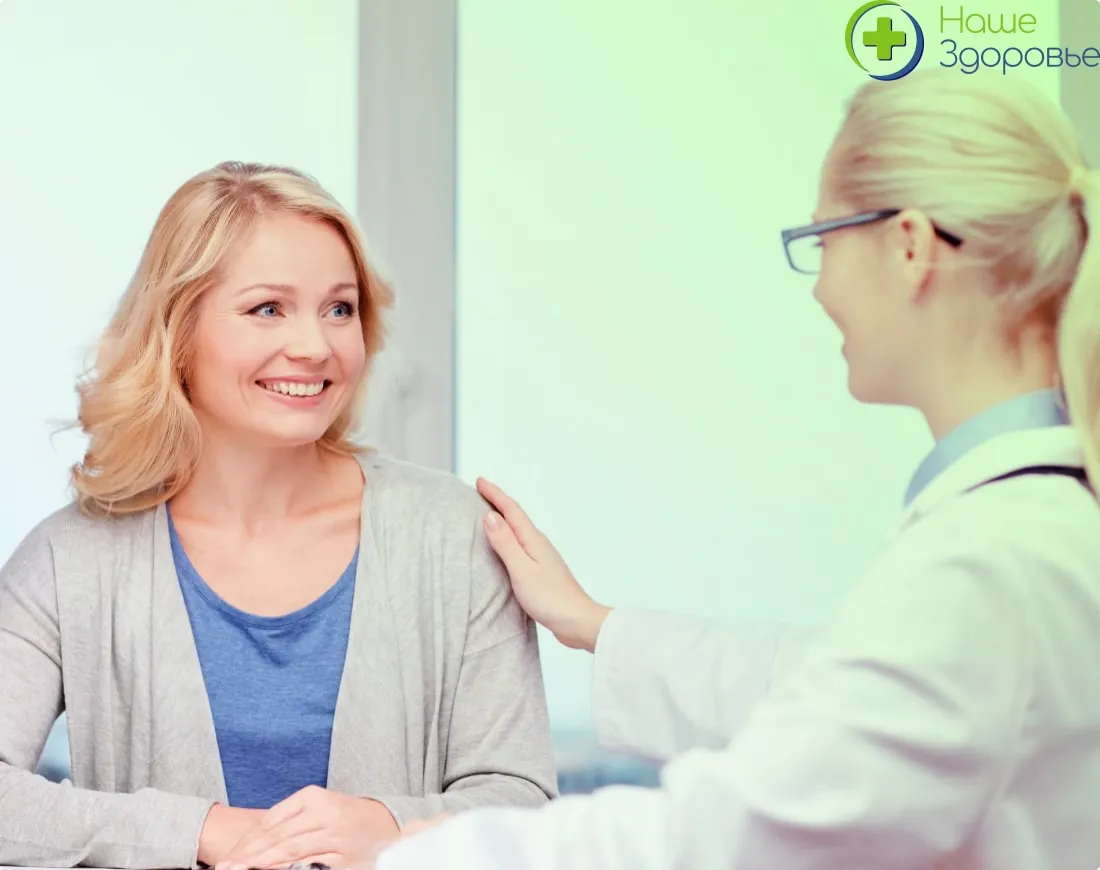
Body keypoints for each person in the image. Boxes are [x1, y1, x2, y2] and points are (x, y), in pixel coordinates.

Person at [369, 69, 1100, 870]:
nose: (821, 288)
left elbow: (753, 827)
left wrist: (432, 852)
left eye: (823, 241)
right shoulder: (1034, 527)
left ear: (910, 246)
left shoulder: (993, 560)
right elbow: (825, 690)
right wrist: (591, 624)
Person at [0, 161, 558, 870]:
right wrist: (203, 831)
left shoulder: (452, 535)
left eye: (340, 309)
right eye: (268, 309)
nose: (316, 347)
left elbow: (521, 800)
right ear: (177, 333)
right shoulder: (71, 560)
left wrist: (390, 826)